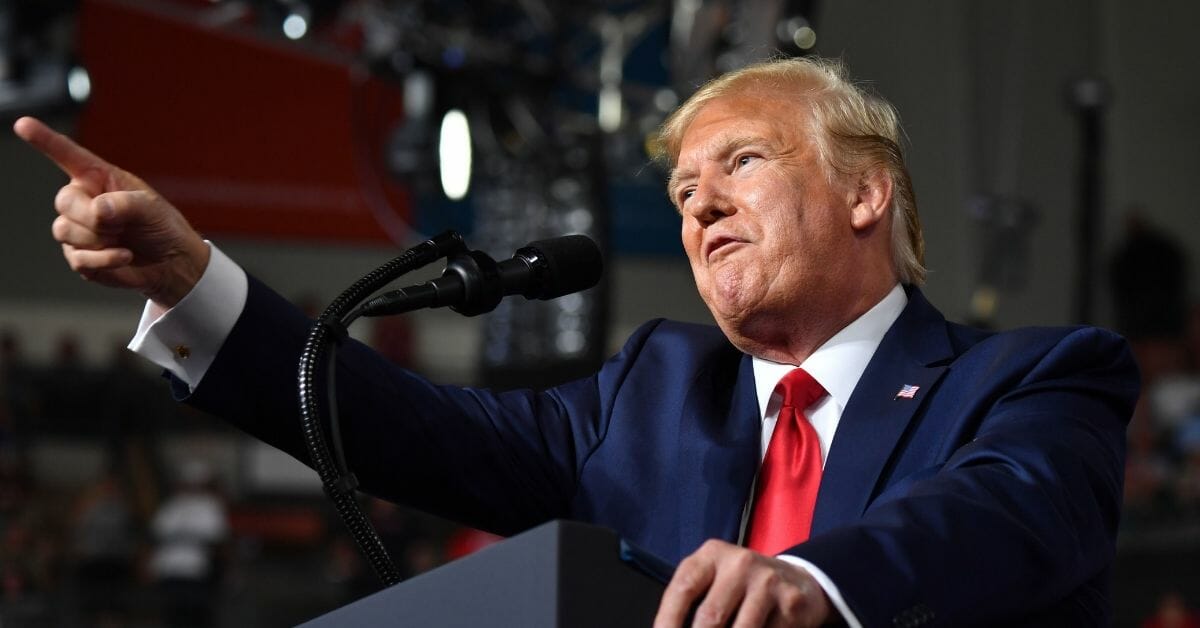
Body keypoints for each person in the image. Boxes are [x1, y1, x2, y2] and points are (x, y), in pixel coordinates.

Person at [15, 56, 1137, 626]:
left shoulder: (1035, 378)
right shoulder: (653, 389)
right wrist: (193, 282)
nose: (697, 208)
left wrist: (809, 582)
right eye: (683, 187)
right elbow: (411, 428)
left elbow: (1001, 514)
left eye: (740, 163)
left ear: (864, 194)